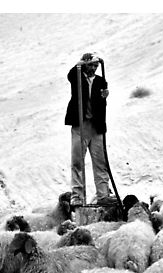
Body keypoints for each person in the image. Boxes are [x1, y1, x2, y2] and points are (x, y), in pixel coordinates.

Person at [64, 52, 110, 208]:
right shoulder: (77, 77)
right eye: (91, 65)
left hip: (96, 126)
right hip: (80, 125)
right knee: (78, 161)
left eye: (96, 66)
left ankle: (103, 195)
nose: (94, 68)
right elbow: (71, 73)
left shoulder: (100, 81)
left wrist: (104, 96)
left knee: (100, 162)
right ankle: (77, 196)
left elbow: (102, 102)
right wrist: (81, 63)